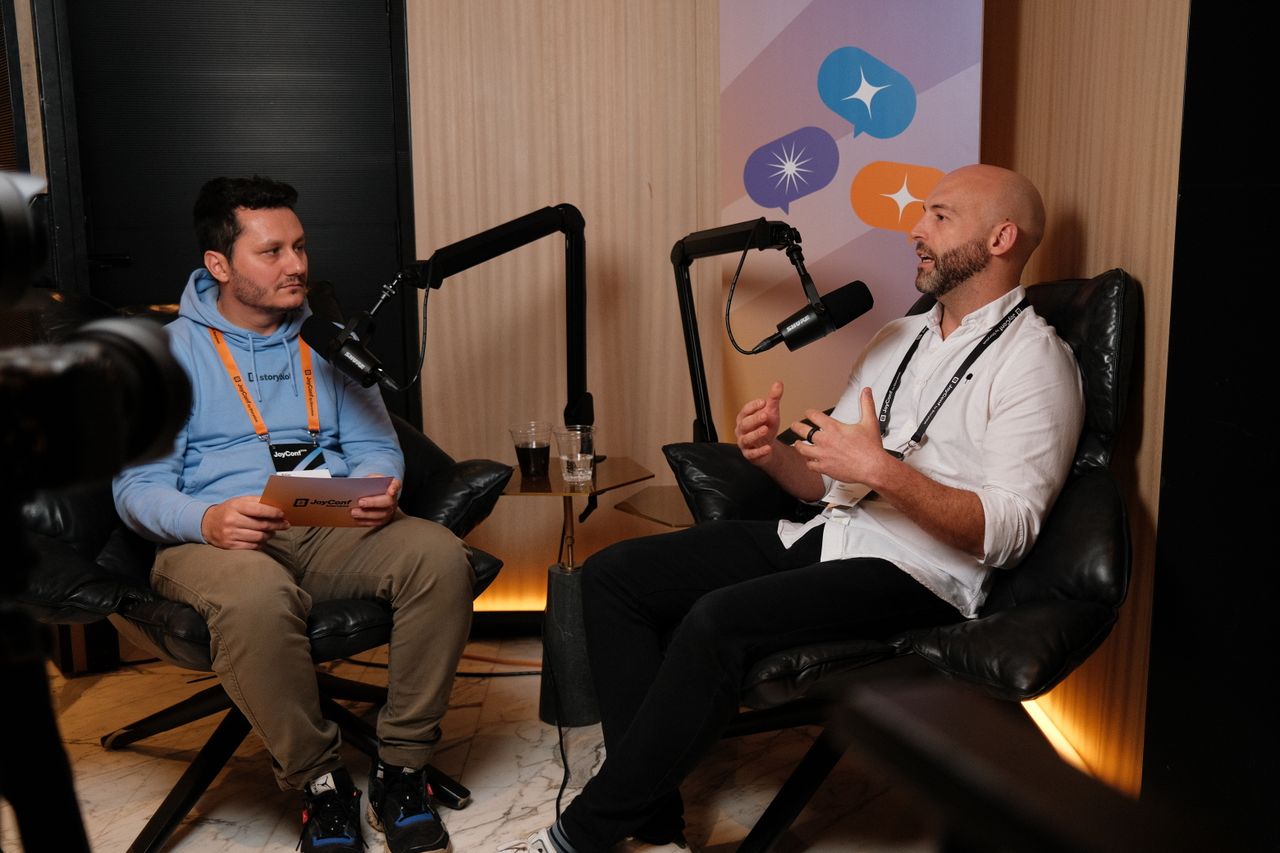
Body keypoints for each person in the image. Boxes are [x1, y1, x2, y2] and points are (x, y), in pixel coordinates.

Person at [498, 164, 1084, 853]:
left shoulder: (1037, 363)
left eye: (941, 216)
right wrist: (774, 457)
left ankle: (580, 835)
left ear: (1001, 237)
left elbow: (1007, 533)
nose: (916, 230)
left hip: (923, 575)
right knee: (612, 577)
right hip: (828, 533)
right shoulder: (898, 339)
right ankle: (655, 834)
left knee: (716, 619)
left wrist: (882, 471)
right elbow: (829, 483)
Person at [113, 175, 474, 853]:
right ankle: (320, 784)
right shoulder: (166, 354)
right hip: (219, 535)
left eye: (301, 246)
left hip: (327, 518)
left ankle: (401, 767)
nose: (297, 265)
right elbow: (136, 485)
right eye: (272, 250)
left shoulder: (325, 340)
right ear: (219, 265)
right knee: (255, 595)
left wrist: (378, 487)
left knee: (438, 556)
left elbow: (375, 446)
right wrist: (208, 519)